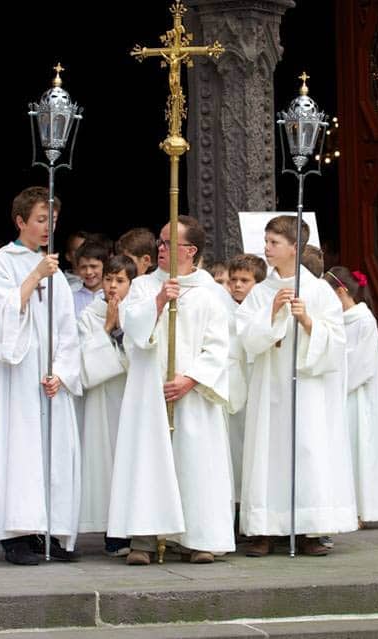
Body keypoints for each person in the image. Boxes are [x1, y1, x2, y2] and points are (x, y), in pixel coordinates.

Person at [107, 216, 235, 565]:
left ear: (190, 251)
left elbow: (220, 346)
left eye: (168, 243)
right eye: (160, 242)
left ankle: (198, 538)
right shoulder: (146, 286)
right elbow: (131, 327)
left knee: (195, 464)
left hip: (192, 394)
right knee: (149, 460)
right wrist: (160, 301)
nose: (160, 249)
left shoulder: (210, 292)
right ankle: (145, 539)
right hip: (151, 391)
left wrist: (191, 378)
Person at [235, 215, 357, 557]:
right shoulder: (261, 293)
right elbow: (244, 336)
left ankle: (309, 528)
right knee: (267, 451)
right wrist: (271, 314)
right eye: (267, 241)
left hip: (307, 390)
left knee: (307, 449)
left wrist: (307, 322)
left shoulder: (318, 291)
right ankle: (264, 529)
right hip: (271, 387)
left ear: (295, 248)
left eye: (274, 242)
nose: (267, 248)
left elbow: (336, 342)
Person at [0, 186, 81, 566]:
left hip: (47, 377)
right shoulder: (2, 264)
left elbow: (66, 328)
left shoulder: (54, 268)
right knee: (18, 449)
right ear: (20, 221)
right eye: (40, 220)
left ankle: (50, 530)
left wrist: (62, 371)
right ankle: (17, 534)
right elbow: (0, 317)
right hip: (16, 377)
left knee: (51, 452)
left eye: (52, 220)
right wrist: (34, 276)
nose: (47, 227)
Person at [323, 267, 378, 526]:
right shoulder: (337, 320)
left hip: (355, 394)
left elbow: (362, 363)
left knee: (357, 445)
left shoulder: (363, 320)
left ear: (341, 291)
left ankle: (361, 508)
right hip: (340, 389)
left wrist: (334, 379)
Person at [78, 255, 137, 557]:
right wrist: (106, 328)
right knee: (105, 462)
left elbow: (141, 354)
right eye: (109, 279)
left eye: (120, 281)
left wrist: (118, 331)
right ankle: (111, 534)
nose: (113, 286)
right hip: (103, 398)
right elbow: (86, 360)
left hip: (130, 396)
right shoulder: (90, 314)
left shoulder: (138, 311)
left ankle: (133, 530)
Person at [225, 254, 267, 504]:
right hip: (233, 382)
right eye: (233, 280)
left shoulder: (264, 308)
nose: (237, 285)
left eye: (244, 280)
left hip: (257, 378)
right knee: (235, 446)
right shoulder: (223, 308)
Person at [73, 240, 108, 320]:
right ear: (77, 268)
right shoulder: (71, 298)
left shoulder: (112, 296)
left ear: (105, 266)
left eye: (93, 266)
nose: (88, 272)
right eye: (83, 267)